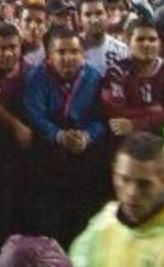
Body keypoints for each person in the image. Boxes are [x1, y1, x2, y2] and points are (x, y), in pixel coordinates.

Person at [69, 132, 164, 267]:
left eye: (144, 184)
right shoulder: (104, 223)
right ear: (114, 174)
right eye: (124, 179)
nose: (132, 192)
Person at [23, 25, 107, 244]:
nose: (68, 57)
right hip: (48, 154)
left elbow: (102, 117)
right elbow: (35, 114)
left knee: (83, 218)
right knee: (51, 221)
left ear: (83, 55)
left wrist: (88, 136)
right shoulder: (36, 77)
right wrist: (58, 135)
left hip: (84, 153)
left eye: (74, 52)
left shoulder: (94, 78)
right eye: (61, 52)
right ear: (50, 56)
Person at [100, 17, 164, 138]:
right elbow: (115, 114)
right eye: (140, 39)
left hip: (163, 141)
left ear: (159, 43)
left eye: (152, 39)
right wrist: (154, 110)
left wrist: (136, 125)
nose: (147, 44)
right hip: (126, 143)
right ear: (128, 41)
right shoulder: (116, 71)